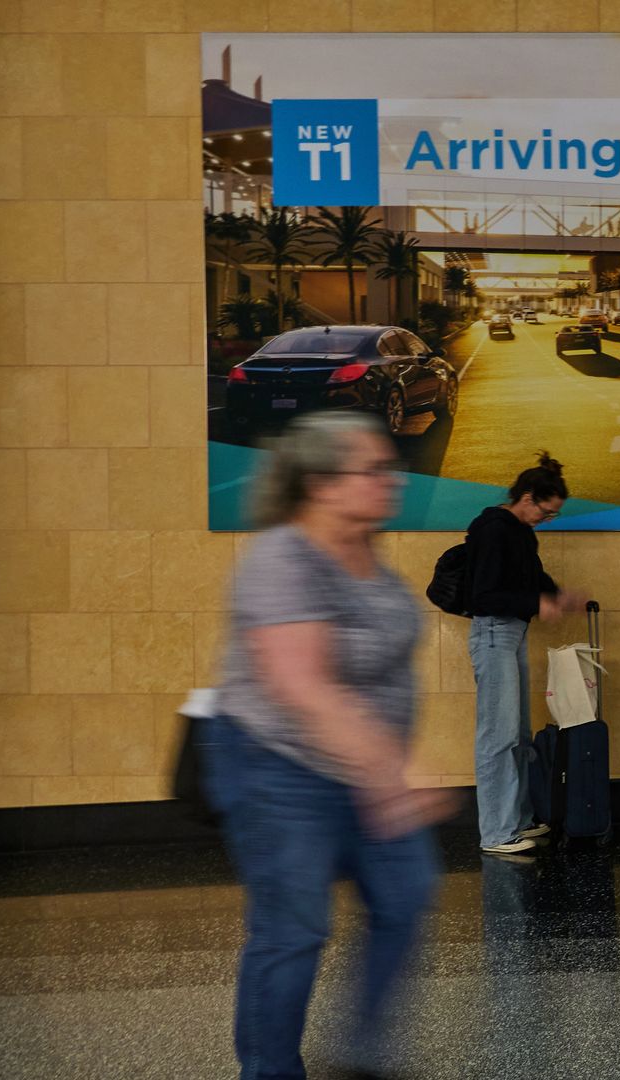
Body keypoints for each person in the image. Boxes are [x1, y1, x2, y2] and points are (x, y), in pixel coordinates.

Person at [203, 411, 456, 1080]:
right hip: (275, 766)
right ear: (321, 483)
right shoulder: (280, 560)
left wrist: (381, 768)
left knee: (404, 898)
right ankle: (270, 1071)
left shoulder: (368, 553)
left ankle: (363, 1054)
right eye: (373, 470)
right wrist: (388, 774)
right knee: (294, 930)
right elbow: (303, 687)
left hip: (364, 768)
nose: (392, 479)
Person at [464, 453, 587, 856]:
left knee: (515, 733)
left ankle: (516, 821)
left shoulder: (520, 532)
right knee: (497, 736)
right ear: (528, 498)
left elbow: (532, 576)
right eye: (546, 513)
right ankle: (496, 833)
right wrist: (538, 601)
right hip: (494, 632)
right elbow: (484, 595)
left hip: (512, 632)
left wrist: (556, 596)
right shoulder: (492, 529)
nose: (545, 520)